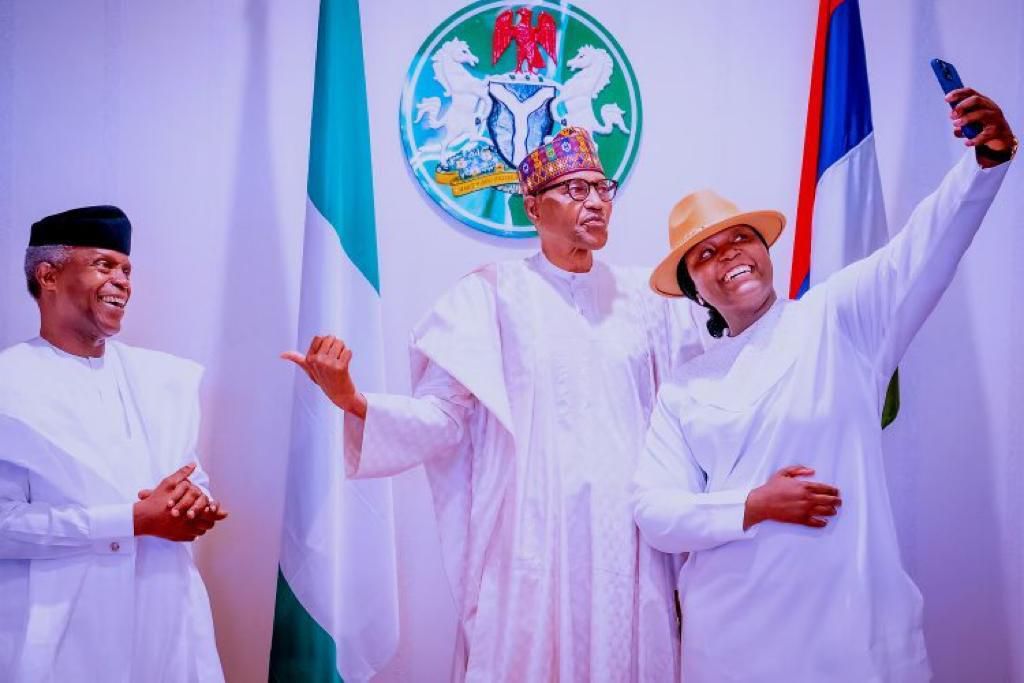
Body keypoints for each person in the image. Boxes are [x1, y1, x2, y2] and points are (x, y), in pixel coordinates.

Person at [284, 128, 706, 682]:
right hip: (531, 534)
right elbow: (444, 418)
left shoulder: (649, 300)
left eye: (602, 188)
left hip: (628, 536)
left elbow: (689, 410)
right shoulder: (490, 295)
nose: (596, 202)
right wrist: (353, 400)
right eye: (575, 190)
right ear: (533, 206)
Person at [632, 87, 1015, 682]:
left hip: (852, 635)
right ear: (693, 289)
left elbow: (920, 250)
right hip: (733, 645)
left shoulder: (837, 319)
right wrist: (754, 504)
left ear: (765, 250)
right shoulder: (684, 388)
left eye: (740, 238)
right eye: (704, 254)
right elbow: (655, 511)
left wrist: (983, 164)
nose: (728, 254)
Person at [0, 205, 228, 682]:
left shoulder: (164, 378)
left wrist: (195, 504)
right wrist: (130, 520)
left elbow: (191, 477)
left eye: (126, 270)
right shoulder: (8, 384)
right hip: (64, 634)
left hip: (166, 622)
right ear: (49, 275)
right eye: (104, 265)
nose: (122, 280)